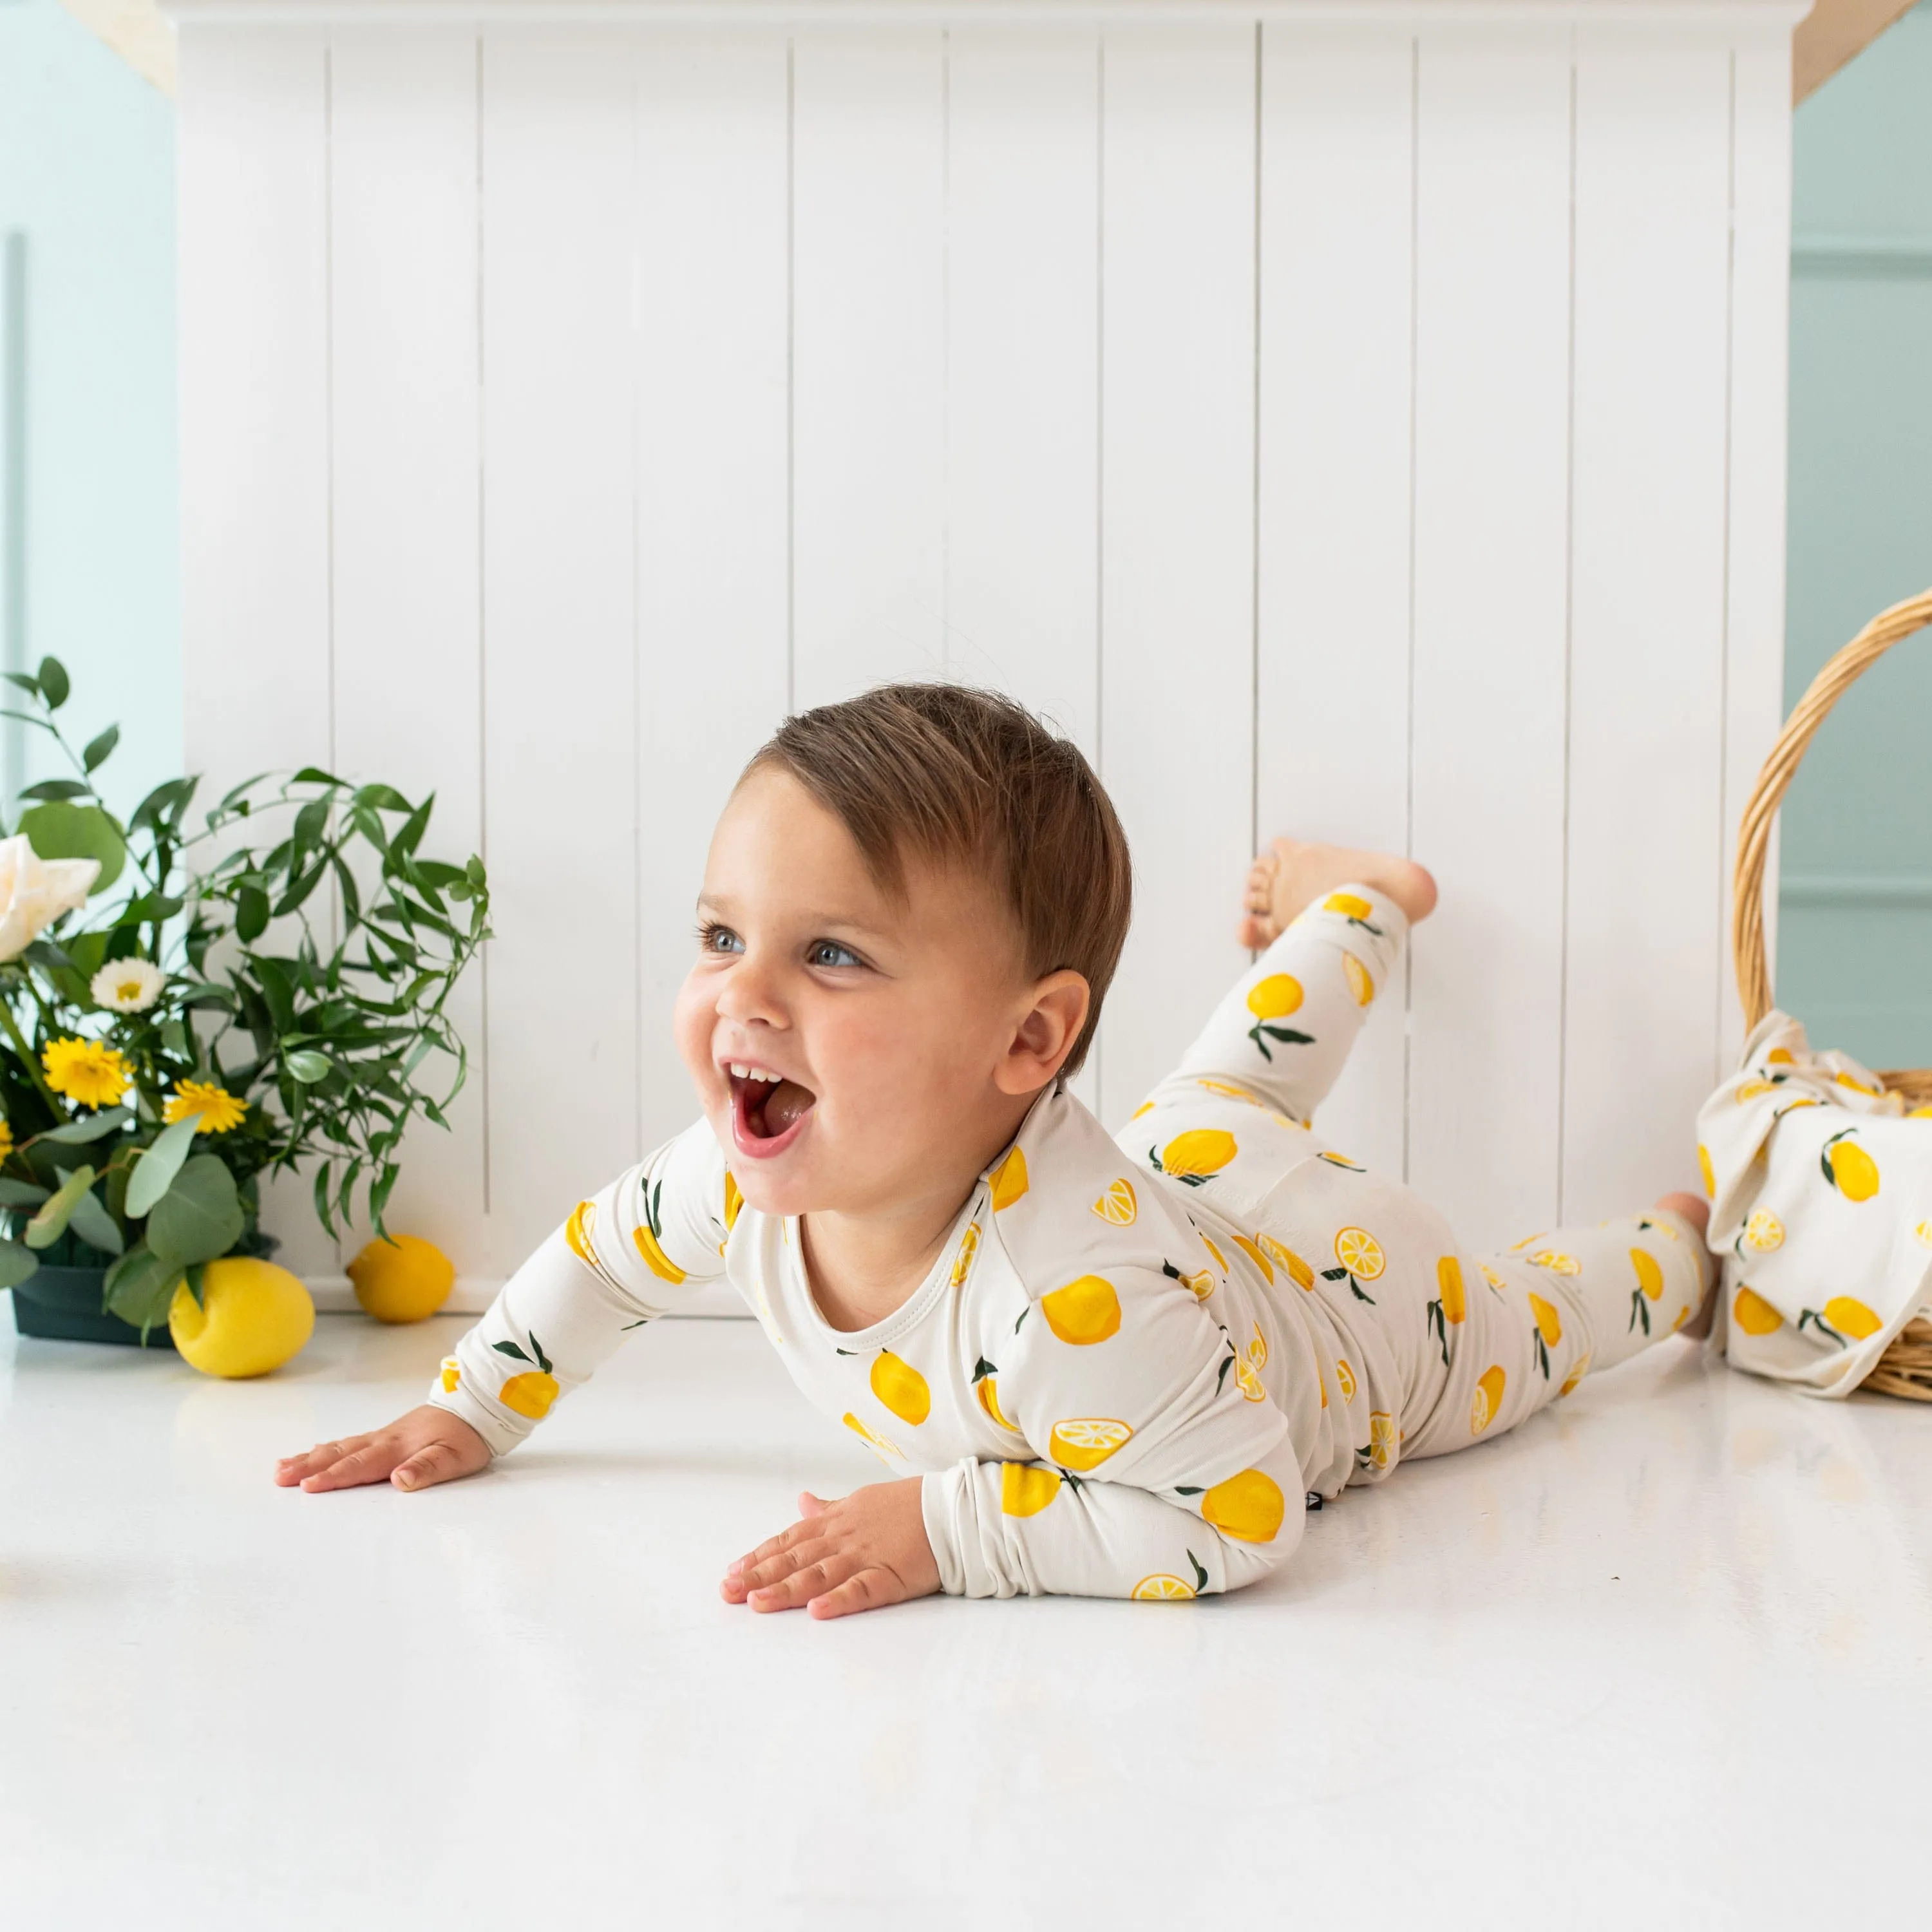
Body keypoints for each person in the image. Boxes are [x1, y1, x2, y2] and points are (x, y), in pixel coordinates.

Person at [276, 685, 1713, 1616]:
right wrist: (472, 1407)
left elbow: (1243, 1508)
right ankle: (1366, 906)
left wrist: (954, 1532)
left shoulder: (1068, 1309)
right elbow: (603, 1262)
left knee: (1537, 1322)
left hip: (1362, 1313)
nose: (742, 1000)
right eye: (722, 938)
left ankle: (1679, 1252)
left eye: (830, 955)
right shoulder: (737, 1175)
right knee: (1234, 1085)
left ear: (1030, 1046)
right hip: (1184, 1177)